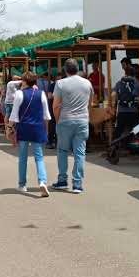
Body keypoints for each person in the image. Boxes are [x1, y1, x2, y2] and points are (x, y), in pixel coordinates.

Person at [52, 60, 94, 194]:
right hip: (82, 120)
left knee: (63, 151)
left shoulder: (60, 83)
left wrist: (58, 120)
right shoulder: (87, 83)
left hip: (65, 120)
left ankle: (62, 180)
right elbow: (90, 103)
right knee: (80, 153)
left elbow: (56, 105)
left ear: (65, 70)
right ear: (77, 69)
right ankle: (77, 184)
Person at [9, 72, 51, 197]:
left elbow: (14, 114)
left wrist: (9, 128)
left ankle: (22, 185)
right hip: (38, 127)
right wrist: (46, 130)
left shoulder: (19, 94)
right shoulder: (41, 94)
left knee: (23, 157)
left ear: (25, 82)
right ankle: (42, 181)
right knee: (39, 157)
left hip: (24, 128)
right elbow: (46, 116)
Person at [111, 65, 139, 142]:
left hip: (122, 110)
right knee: (134, 130)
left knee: (119, 130)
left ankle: (113, 146)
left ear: (125, 73)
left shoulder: (120, 82)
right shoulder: (137, 83)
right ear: (134, 73)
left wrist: (113, 105)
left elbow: (113, 95)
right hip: (134, 111)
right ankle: (131, 146)